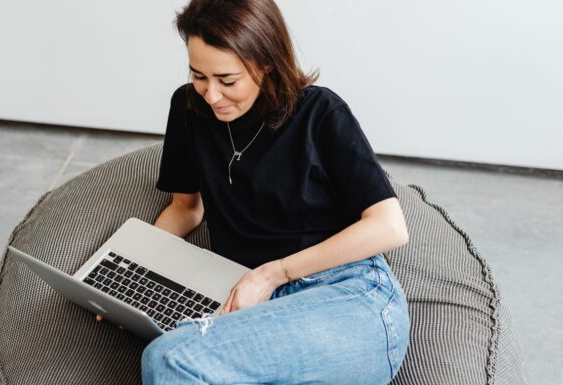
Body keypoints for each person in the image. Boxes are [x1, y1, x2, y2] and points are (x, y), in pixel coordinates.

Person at [98, 0, 410, 383]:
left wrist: (274, 273)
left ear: (266, 63)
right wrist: (134, 270)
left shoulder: (320, 112)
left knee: (171, 359)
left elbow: (390, 227)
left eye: (227, 81)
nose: (211, 95)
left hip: (347, 293)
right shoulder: (188, 108)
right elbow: (186, 208)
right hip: (246, 301)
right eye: (199, 76)